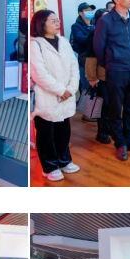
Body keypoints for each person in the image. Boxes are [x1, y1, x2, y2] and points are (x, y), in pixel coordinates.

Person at [94, 0, 130, 162]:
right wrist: (111, 63)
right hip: (116, 70)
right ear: (117, 0)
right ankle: (120, 143)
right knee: (116, 108)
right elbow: (98, 47)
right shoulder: (106, 21)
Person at [30, 10, 80, 181]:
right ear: (41, 24)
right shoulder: (35, 45)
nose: (57, 23)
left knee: (63, 130)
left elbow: (74, 66)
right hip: (46, 96)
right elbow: (39, 73)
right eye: (53, 21)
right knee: (46, 133)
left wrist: (70, 89)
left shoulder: (64, 41)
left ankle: (64, 160)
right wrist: (61, 90)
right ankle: (49, 166)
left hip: (66, 95)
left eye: (57, 20)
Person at [84, 9, 111, 143]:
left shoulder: (112, 33)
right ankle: (101, 132)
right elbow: (90, 58)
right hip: (101, 77)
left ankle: (108, 127)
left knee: (112, 103)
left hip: (114, 75)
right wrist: (91, 78)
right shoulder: (94, 35)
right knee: (103, 104)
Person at [71, 2, 95, 90]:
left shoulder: (96, 23)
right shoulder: (76, 26)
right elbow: (80, 38)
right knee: (87, 86)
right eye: (87, 10)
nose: (90, 12)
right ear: (81, 13)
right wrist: (96, 39)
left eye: (91, 10)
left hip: (98, 58)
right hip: (85, 58)